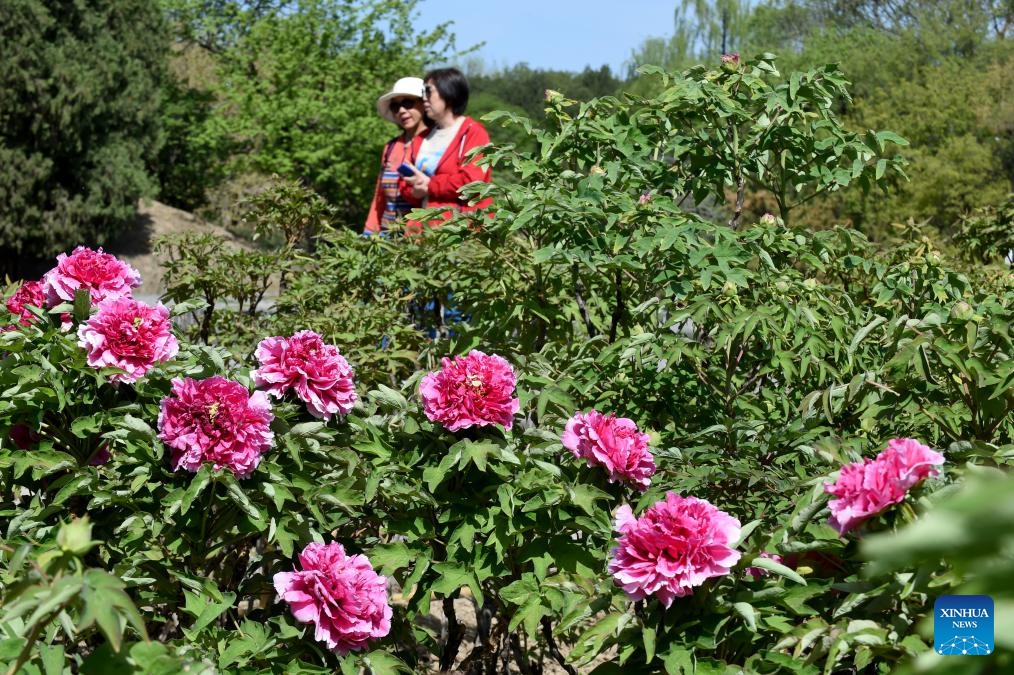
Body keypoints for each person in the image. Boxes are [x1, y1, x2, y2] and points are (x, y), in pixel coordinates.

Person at [400, 67, 493, 231]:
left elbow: (472, 183)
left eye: (428, 91)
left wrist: (430, 185)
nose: (424, 98)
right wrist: (414, 191)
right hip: (421, 234)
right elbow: (404, 184)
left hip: (461, 233)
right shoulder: (421, 138)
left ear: (449, 92)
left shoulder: (473, 133)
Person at [363, 77, 429, 235]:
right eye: (395, 106)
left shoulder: (436, 144)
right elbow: (380, 196)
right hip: (387, 238)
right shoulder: (391, 147)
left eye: (407, 103)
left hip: (419, 239)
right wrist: (370, 232)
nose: (401, 110)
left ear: (424, 103)